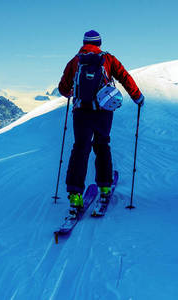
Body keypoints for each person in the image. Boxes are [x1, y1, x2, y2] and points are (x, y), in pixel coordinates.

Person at [58, 30, 144, 210]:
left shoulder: (75, 61)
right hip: (103, 111)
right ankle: (105, 188)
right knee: (102, 145)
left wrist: (73, 92)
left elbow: (63, 88)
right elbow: (125, 77)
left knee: (80, 149)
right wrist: (137, 97)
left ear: (83, 42)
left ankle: (75, 196)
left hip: (81, 112)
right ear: (99, 43)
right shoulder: (108, 59)